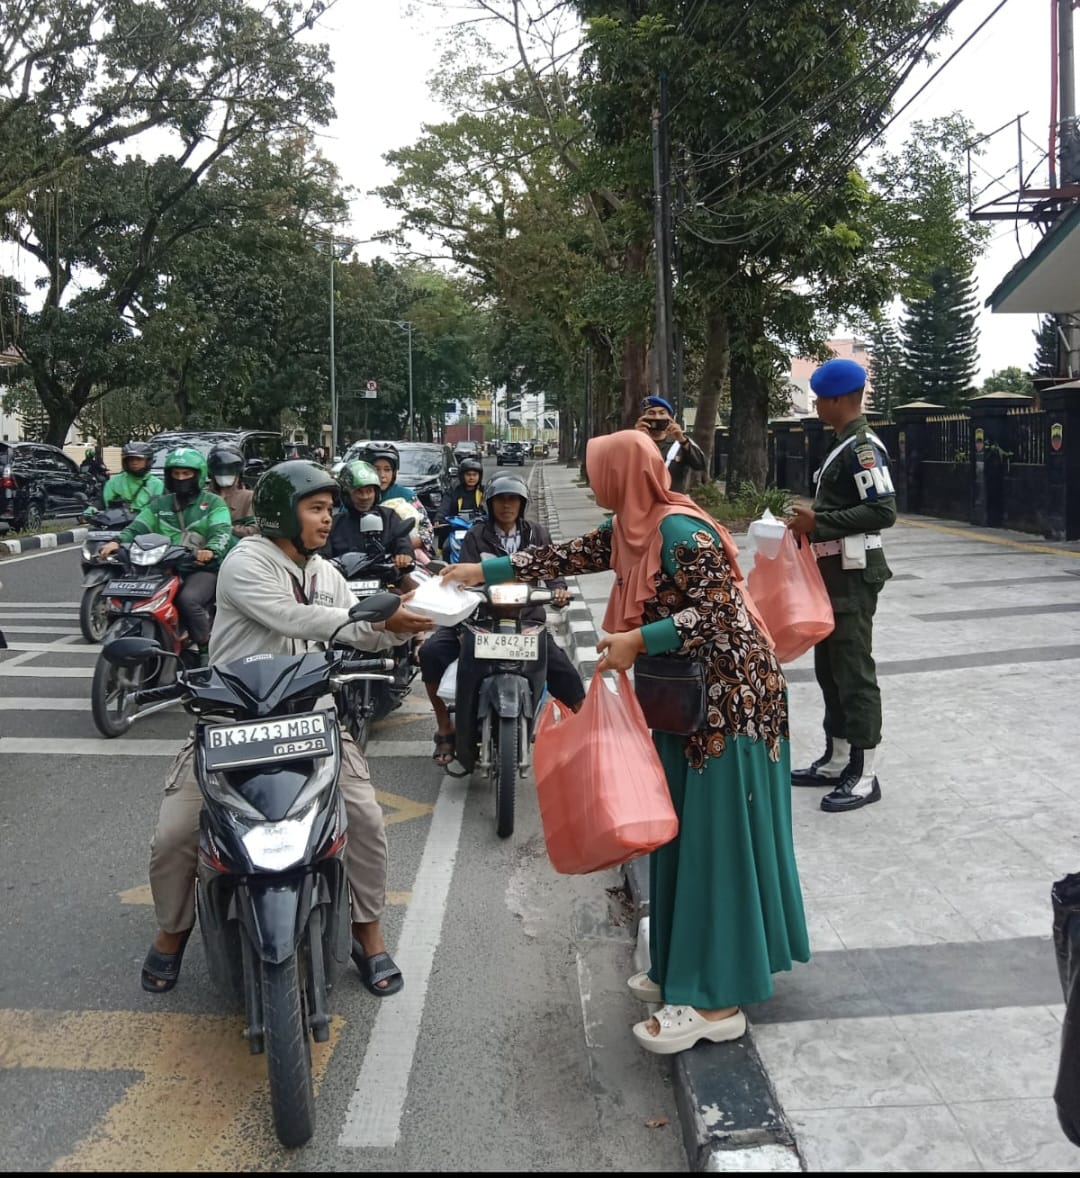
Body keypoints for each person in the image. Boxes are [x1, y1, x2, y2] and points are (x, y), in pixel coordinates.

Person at [442, 430, 808, 1053]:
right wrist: (482, 569)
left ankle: (718, 1002)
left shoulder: (679, 532)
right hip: (685, 701)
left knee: (714, 844)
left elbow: (724, 614)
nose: (594, 484)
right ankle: (680, 966)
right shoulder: (633, 527)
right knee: (681, 835)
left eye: (600, 472)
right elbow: (567, 556)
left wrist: (641, 640)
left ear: (623, 475)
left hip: (729, 705)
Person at [137, 459, 434, 996]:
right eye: (316, 509)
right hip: (232, 720)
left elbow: (359, 632)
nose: (328, 520)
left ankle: (368, 933)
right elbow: (292, 618)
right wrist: (371, 619)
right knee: (176, 834)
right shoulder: (245, 562)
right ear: (281, 512)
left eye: (329, 510)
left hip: (310, 720)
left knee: (364, 817)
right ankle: (171, 933)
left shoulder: (326, 575)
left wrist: (407, 624)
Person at [786, 357, 896, 813]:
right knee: (829, 669)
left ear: (838, 399)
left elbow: (883, 511)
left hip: (853, 576)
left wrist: (821, 521)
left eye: (819, 398)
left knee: (853, 672)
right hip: (831, 575)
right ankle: (835, 758)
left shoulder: (862, 447)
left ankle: (865, 772)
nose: (815, 405)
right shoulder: (841, 444)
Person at [421, 473, 585, 768]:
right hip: (480, 618)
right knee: (431, 652)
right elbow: (464, 576)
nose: (506, 506)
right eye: (500, 500)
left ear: (522, 504)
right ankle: (445, 726)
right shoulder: (476, 535)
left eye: (513, 500)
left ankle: (588, 735)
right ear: (490, 504)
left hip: (527, 620)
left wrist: (558, 590)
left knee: (564, 670)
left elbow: (552, 572)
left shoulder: (537, 534)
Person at [96, 448, 232, 664]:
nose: (180, 479)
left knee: (188, 600)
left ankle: (206, 650)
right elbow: (138, 526)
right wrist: (116, 542)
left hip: (200, 568)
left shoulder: (213, 504)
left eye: (186, 474)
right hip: (162, 567)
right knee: (136, 597)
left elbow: (221, 531)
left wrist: (211, 550)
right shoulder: (160, 504)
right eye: (176, 474)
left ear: (198, 475)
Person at [328, 460, 415, 567]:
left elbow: (402, 540)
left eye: (369, 491)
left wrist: (404, 554)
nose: (365, 497)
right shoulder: (334, 524)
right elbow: (321, 555)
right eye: (359, 491)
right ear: (346, 495)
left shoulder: (389, 517)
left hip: (387, 579)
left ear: (376, 493)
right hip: (343, 580)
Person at [358, 442, 436, 556]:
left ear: (394, 472)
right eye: (376, 469)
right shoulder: (355, 496)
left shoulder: (407, 496)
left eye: (387, 469)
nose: (382, 475)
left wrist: (405, 546)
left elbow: (426, 529)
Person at [635, 396, 707, 493]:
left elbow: (700, 465)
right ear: (643, 418)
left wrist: (682, 439)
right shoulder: (634, 442)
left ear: (670, 418)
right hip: (642, 501)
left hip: (672, 503)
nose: (657, 417)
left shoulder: (681, 442)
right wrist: (636, 437)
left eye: (662, 413)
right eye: (651, 413)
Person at [434, 456, 485, 558]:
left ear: (479, 476)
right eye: (468, 475)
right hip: (456, 530)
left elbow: (489, 508)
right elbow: (444, 506)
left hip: (478, 530)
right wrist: (439, 518)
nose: (471, 478)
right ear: (462, 476)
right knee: (447, 548)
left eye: (475, 475)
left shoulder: (484, 492)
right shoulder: (453, 491)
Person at [206, 445, 257, 542]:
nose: (224, 473)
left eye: (229, 469)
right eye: (219, 469)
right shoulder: (204, 497)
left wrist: (228, 529)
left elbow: (254, 530)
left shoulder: (249, 497)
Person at [98, 441, 163, 511]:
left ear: (148, 461)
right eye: (131, 459)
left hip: (145, 521)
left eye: (139, 459)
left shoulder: (157, 484)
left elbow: (157, 510)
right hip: (117, 520)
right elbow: (104, 504)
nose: (134, 462)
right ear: (126, 461)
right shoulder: (114, 482)